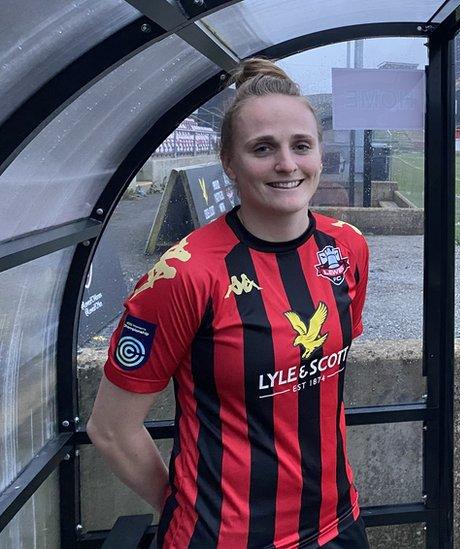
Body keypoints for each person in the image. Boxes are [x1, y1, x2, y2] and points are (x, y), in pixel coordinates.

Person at [87, 58, 370, 548]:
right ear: (229, 163)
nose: (287, 163)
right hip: (223, 537)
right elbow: (110, 430)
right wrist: (183, 512)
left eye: (301, 145)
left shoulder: (346, 246)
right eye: (263, 148)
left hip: (338, 525)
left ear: (320, 155)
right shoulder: (184, 274)